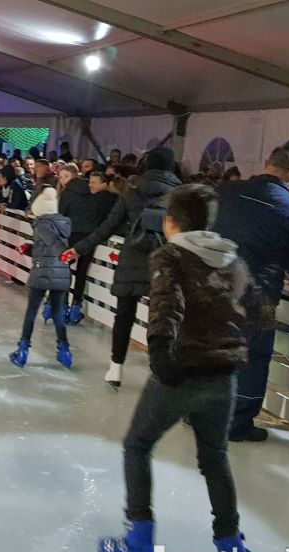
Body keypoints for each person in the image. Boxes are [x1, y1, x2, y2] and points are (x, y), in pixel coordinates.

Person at [98, 185, 262, 552]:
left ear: (171, 221)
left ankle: (140, 545)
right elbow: (260, 310)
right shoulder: (231, 258)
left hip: (181, 371)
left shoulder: (169, 255)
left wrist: (160, 353)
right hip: (223, 377)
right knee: (215, 458)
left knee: (137, 445)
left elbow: (165, 307)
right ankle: (231, 546)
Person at [212, 145, 289, 442]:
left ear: (267, 162)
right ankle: (238, 424)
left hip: (216, 284)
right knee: (252, 359)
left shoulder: (225, 191)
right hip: (258, 294)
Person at [67, 148, 181, 389]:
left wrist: (78, 248)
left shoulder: (132, 192)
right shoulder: (180, 196)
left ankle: (116, 367)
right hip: (164, 262)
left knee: (124, 315)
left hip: (132, 260)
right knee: (161, 318)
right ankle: (158, 372)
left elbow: (107, 227)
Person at [9, 187, 73, 369]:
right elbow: (48, 248)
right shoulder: (63, 223)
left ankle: (22, 350)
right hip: (61, 274)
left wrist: (64, 254)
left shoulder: (41, 224)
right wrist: (29, 248)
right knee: (58, 313)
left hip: (42, 274)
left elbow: (54, 245)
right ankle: (64, 351)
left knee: (31, 312)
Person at [58, 169, 116, 325]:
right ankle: (76, 308)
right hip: (88, 238)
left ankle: (62, 306)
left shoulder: (68, 193)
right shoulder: (94, 195)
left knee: (64, 269)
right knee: (82, 272)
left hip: (70, 235)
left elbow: (61, 214)